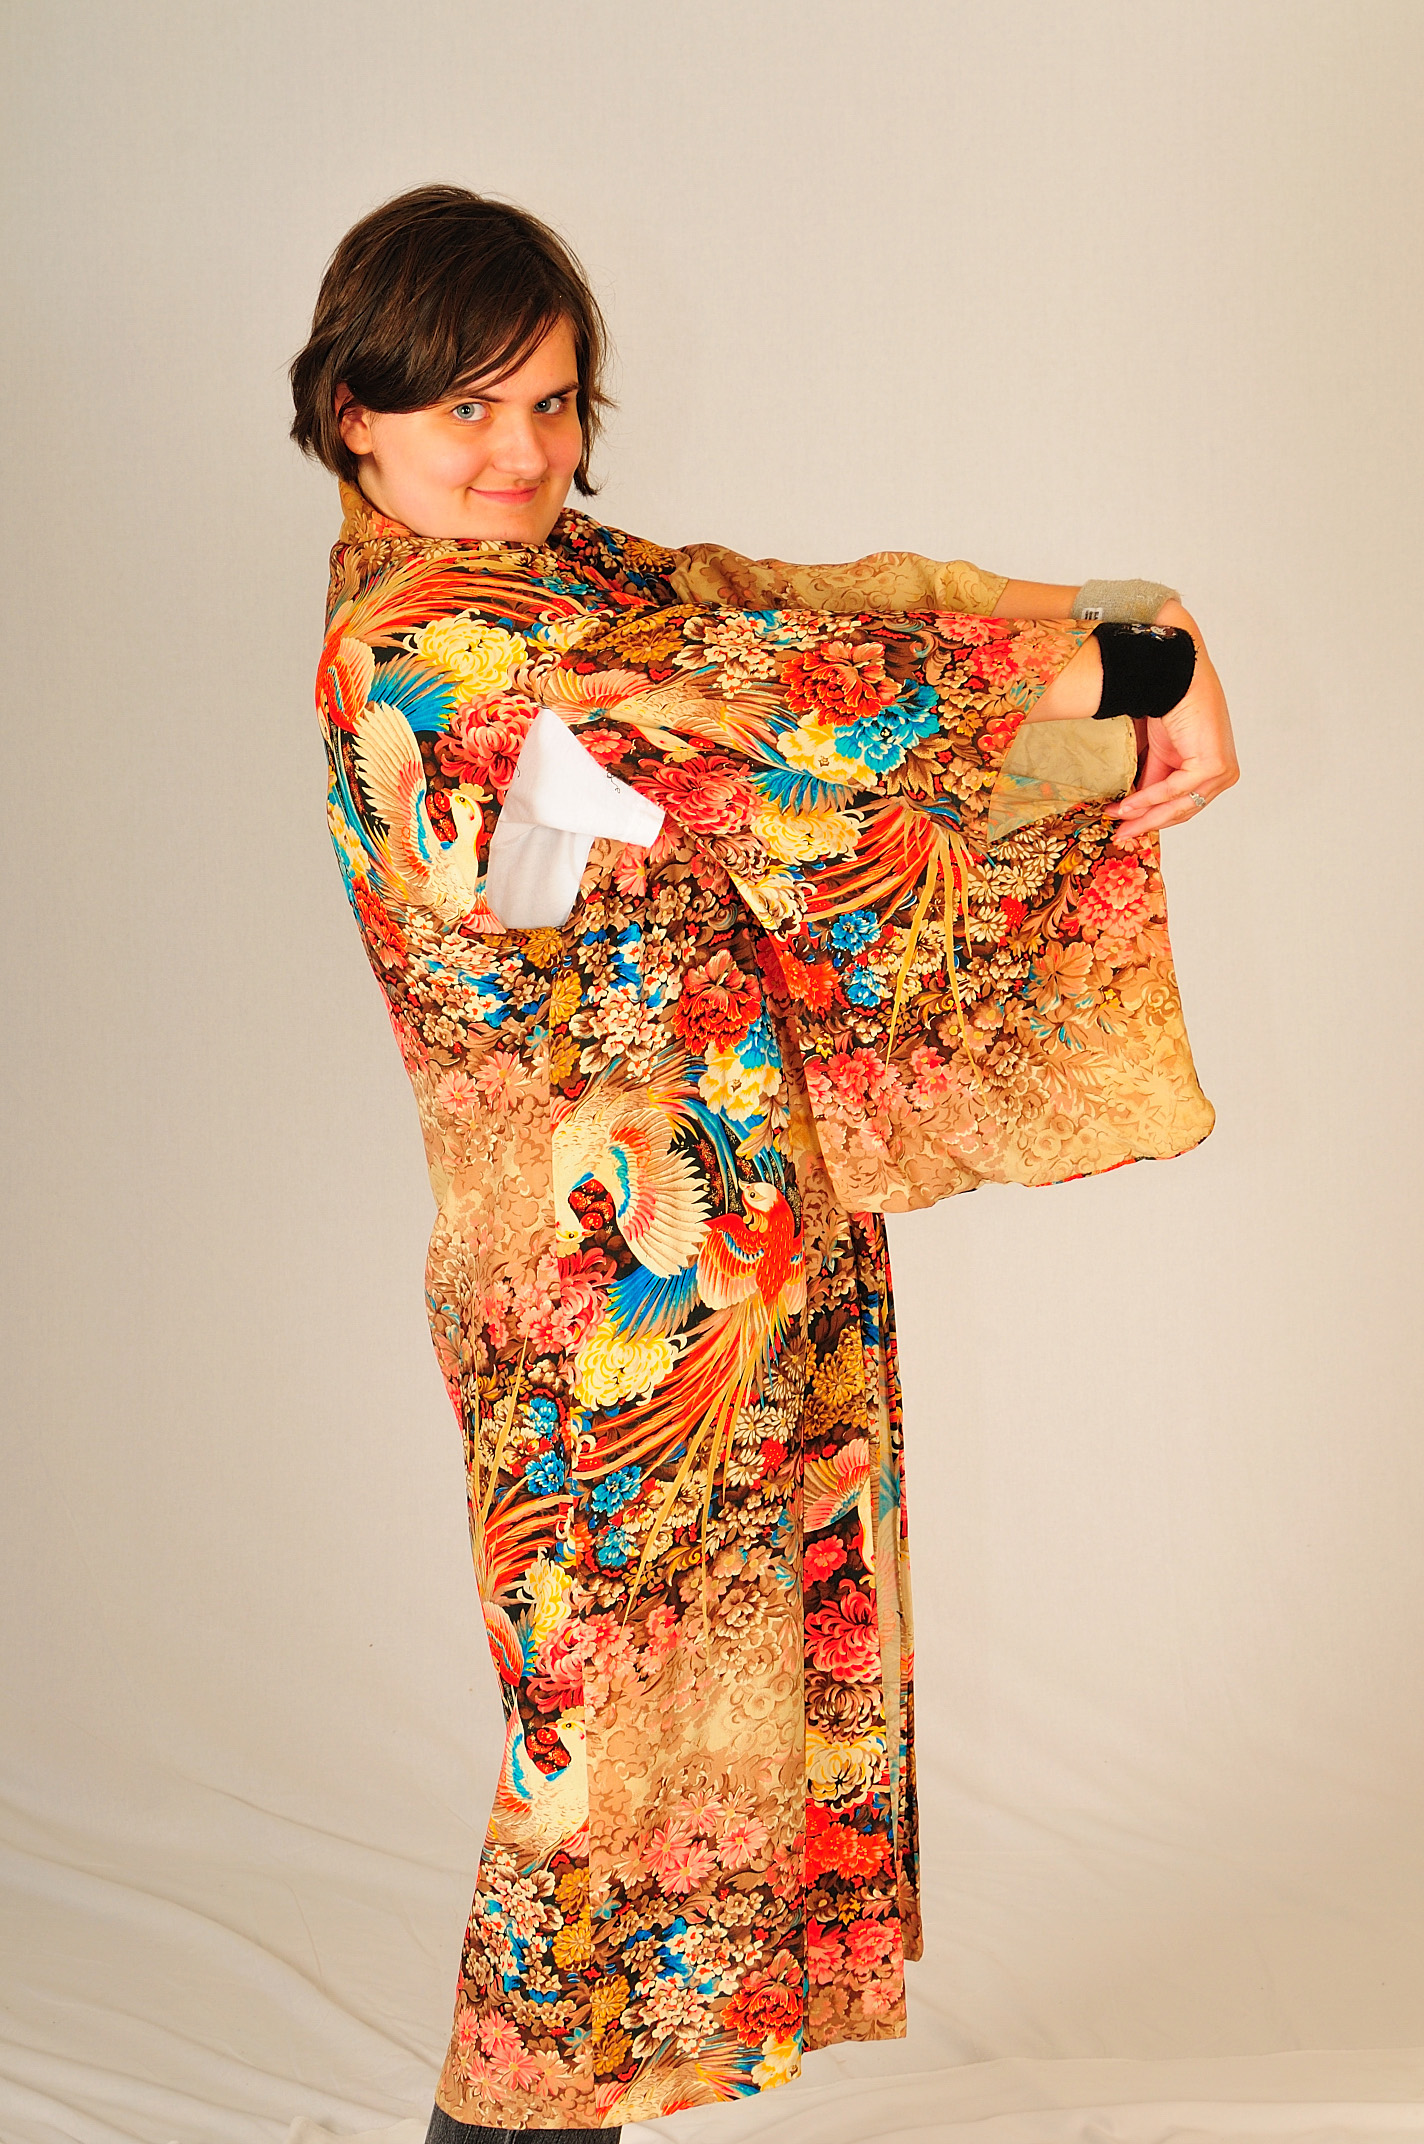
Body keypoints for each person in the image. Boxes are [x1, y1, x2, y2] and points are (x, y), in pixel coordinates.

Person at [288, 185, 1237, 2144]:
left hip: (738, 1241)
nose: (519, 451)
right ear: (350, 413)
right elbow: (778, 695)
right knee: (598, 1752)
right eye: (465, 408)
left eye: (552, 402)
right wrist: (1133, 673)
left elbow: (806, 613)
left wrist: (1142, 628)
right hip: (600, 1299)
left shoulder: (576, 579)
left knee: (690, 1747)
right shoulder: (429, 640)